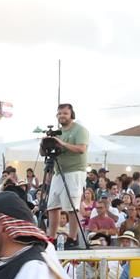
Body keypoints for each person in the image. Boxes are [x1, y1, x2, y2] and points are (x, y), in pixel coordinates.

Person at [45, 103, 89, 248]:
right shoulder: (57, 132)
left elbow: (82, 149)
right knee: (52, 205)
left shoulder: (79, 130)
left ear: (71, 115)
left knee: (71, 206)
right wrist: (44, 144)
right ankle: (51, 237)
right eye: (59, 113)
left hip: (75, 170)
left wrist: (61, 143)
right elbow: (44, 153)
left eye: (65, 113)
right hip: (58, 171)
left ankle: (72, 238)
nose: (62, 116)